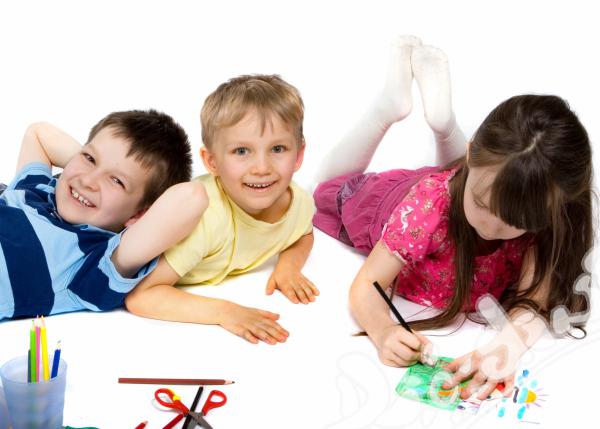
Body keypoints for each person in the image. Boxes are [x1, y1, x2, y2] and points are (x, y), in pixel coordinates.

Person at [313, 37, 593, 400]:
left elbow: (534, 299)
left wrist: (505, 348)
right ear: (471, 155)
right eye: (483, 206)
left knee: (475, 184)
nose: (491, 228)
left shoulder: (540, 210)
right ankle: (389, 108)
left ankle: (445, 129)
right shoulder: (426, 209)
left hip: (462, 182)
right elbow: (366, 284)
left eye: (513, 222)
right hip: (395, 203)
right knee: (326, 187)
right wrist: (383, 331)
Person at [125, 75, 318, 345]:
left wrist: (288, 268)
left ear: (298, 154)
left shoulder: (299, 202)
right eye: (241, 151)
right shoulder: (205, 219)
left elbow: (303, 233)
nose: (262, 168)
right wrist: (225, 312)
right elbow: (141, 296)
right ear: (212, 161)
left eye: (277, 148)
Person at [0, 110, 205, 321]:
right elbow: (38, 133)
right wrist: (84, 167)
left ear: (140, 214)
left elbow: (192, 196)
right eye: (89, 158)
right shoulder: (41, 188)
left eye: (117, 181)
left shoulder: (93, 262)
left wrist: (92, 163)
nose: (88, 181)